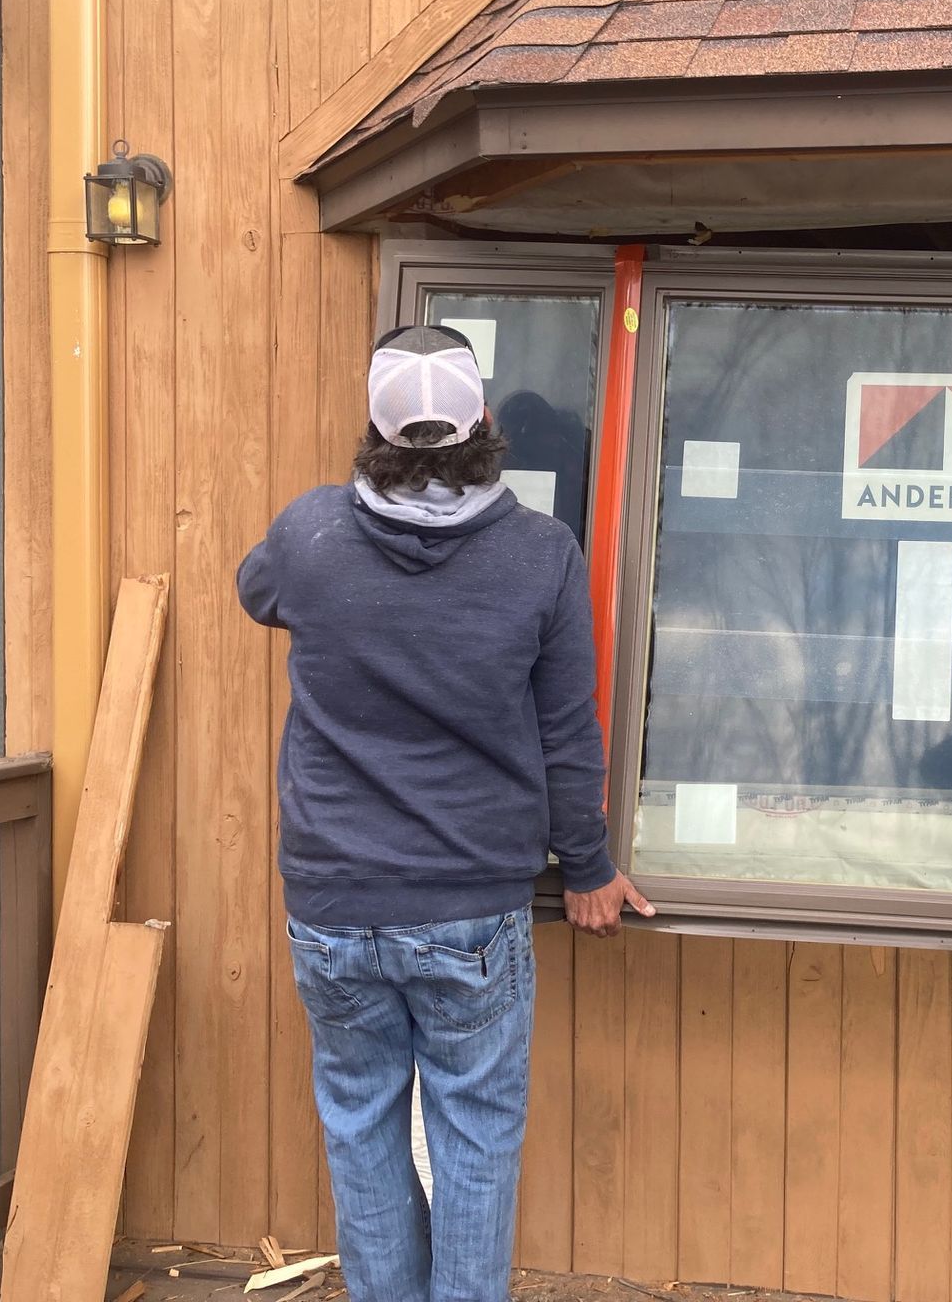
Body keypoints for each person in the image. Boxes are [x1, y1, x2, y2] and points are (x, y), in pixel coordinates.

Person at [237, 324, 655, 1302]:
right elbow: (567, 731)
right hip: (471, 905)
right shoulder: (542, 555)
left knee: (360, 1126)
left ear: (375, 434)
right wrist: (588, 867)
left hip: (334, 903)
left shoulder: (310, 535)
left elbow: (258, 591)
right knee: (475, 1136)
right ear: (486, 424)